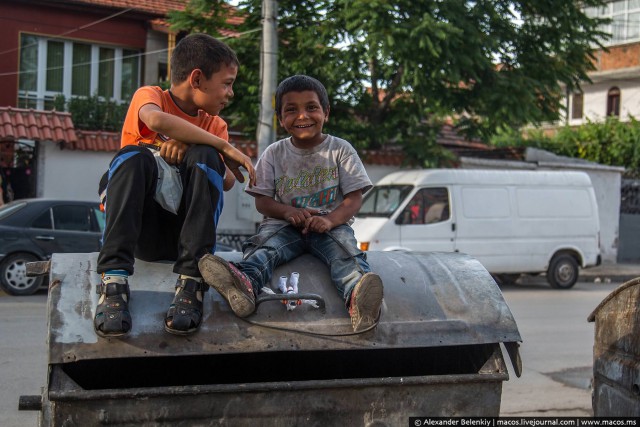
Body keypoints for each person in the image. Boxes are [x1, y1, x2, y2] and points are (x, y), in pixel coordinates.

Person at [93, 33, 256, 338]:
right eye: (226, 83)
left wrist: (193, 145)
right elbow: (155, 121)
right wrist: (224, 147)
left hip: (185, 237)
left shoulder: (215, 125)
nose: (230, 93)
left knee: (206, 154)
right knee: (133, 156)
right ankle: (113, 282)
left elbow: (230, 181)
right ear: (197, 78)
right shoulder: (150, 95)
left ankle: (191, 284)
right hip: (142, 233)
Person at [198, 74, 383, 333]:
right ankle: (245, 285)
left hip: (330, 226)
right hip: (284, 225)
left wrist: (329, 220)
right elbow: (262, 201)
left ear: (326, 112)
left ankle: (359, 299)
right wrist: (288, 211)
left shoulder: (341, 150)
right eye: (291, 110)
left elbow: (354, 198)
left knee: (346, 255)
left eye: (311, 108)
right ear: (280, 118)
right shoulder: (273, 153)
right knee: (265, 249)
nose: (302, 116)